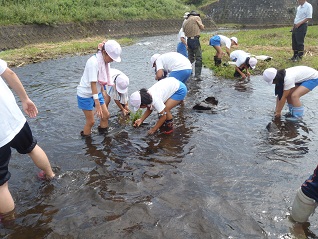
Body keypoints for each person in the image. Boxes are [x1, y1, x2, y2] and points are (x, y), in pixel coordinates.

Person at [0, 59, 55, 224]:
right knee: (32, 147)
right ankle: (50, 175)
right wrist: (25, 99)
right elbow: (9, 73)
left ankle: (10, 223)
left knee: (1, 186)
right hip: (13, 117)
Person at [77, 40, 122, 136]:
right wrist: (97, 104)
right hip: (85, 94)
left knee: (105, 115)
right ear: (105, 53)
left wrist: (103, 91)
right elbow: (93, 84)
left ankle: (104, 136)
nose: (112, 60)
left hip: (96, 93)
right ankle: (88, 143)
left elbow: (101, 79)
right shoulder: (93, 62)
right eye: (112, 58)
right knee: (91, 122)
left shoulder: (104, 61)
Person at [182, 10, 205, 80]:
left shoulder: (185, 21)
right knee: (199, 58)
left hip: (188, 40)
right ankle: (197, 75)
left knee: (190, 58)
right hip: (195, 40)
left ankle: (186, 72)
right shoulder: (196, 18)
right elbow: (202, 27)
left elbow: (184, 31)